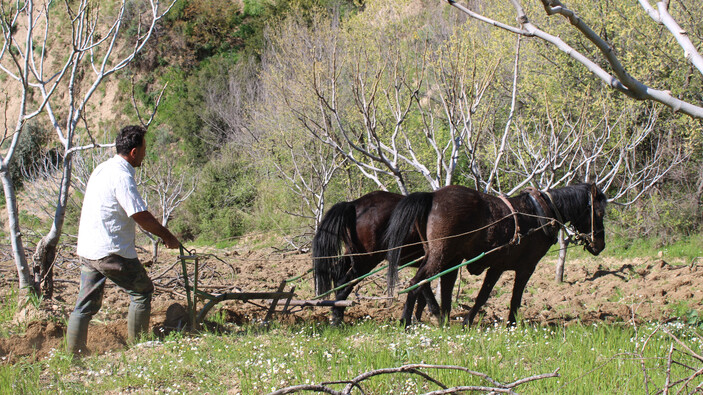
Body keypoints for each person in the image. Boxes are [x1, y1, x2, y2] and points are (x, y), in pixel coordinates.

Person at [66, 125, 180, 356]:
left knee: (84, 305)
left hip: (89, 249)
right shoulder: (122, 175)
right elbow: (139, 214)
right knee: (142, 291)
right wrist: (167, 236)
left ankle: (74, 354)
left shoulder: (102, 168)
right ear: (134, 152)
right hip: (111, 252)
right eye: (145, 150)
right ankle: (138, 348)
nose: (145, 154)